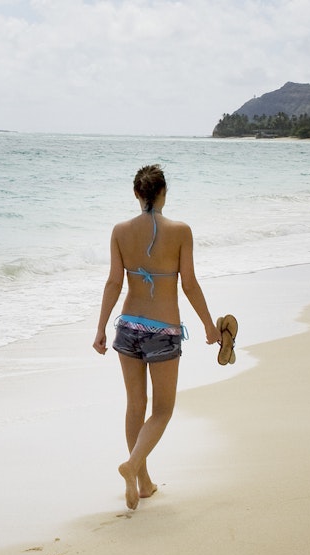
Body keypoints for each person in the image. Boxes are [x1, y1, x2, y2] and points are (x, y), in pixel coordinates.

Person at [91, 164, 219, 510]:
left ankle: (144, 482)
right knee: (162, 409)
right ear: (163, 193)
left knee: (136, 405)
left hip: (128, 325)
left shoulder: (119, 231)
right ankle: (134, 468)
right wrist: (208, 325)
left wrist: (101, 327)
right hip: (163, 330)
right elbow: (188, 284)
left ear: (137, 194)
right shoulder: (181, 231)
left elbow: (114, 282)